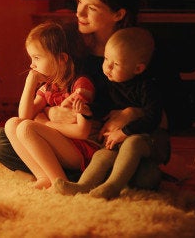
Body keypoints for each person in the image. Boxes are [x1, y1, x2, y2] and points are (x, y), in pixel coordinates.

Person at [0, 0, 164, 187]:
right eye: (79, 2)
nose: (79, 13)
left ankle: (79, 177)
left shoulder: (138, 52)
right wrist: (51, 112)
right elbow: (53, 94)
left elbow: (174, 115)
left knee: (147, 176)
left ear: (118, 14)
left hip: (107, 144)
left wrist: (132, 113)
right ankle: (68, 176)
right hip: (66, 139)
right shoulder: (71, 45)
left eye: (91, 7)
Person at [54, 27, 170, 199]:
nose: (107, 67)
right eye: (106, 59)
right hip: (118, 141)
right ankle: (83, 186)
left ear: (137, 68)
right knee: (102, 154)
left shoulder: (148, 87)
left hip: (150, 141)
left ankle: (112, 186)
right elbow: (103, 108)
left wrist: (124, 132)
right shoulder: (111, 84)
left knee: (133, 143)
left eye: (115, 64)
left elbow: (153, 118)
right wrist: (87, 110)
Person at [5, 21, 99, 189]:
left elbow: (82, 132)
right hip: (62, 144)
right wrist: (30, 82)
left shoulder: (80, 85)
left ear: (62, 59)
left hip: (81, 151)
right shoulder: (49, 86)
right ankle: (44, 176)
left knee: (27, 128)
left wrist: (46, 123)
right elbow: (23, 116)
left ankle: (60, 181)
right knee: (12, 124)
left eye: (37, 58)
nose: (31, 64)